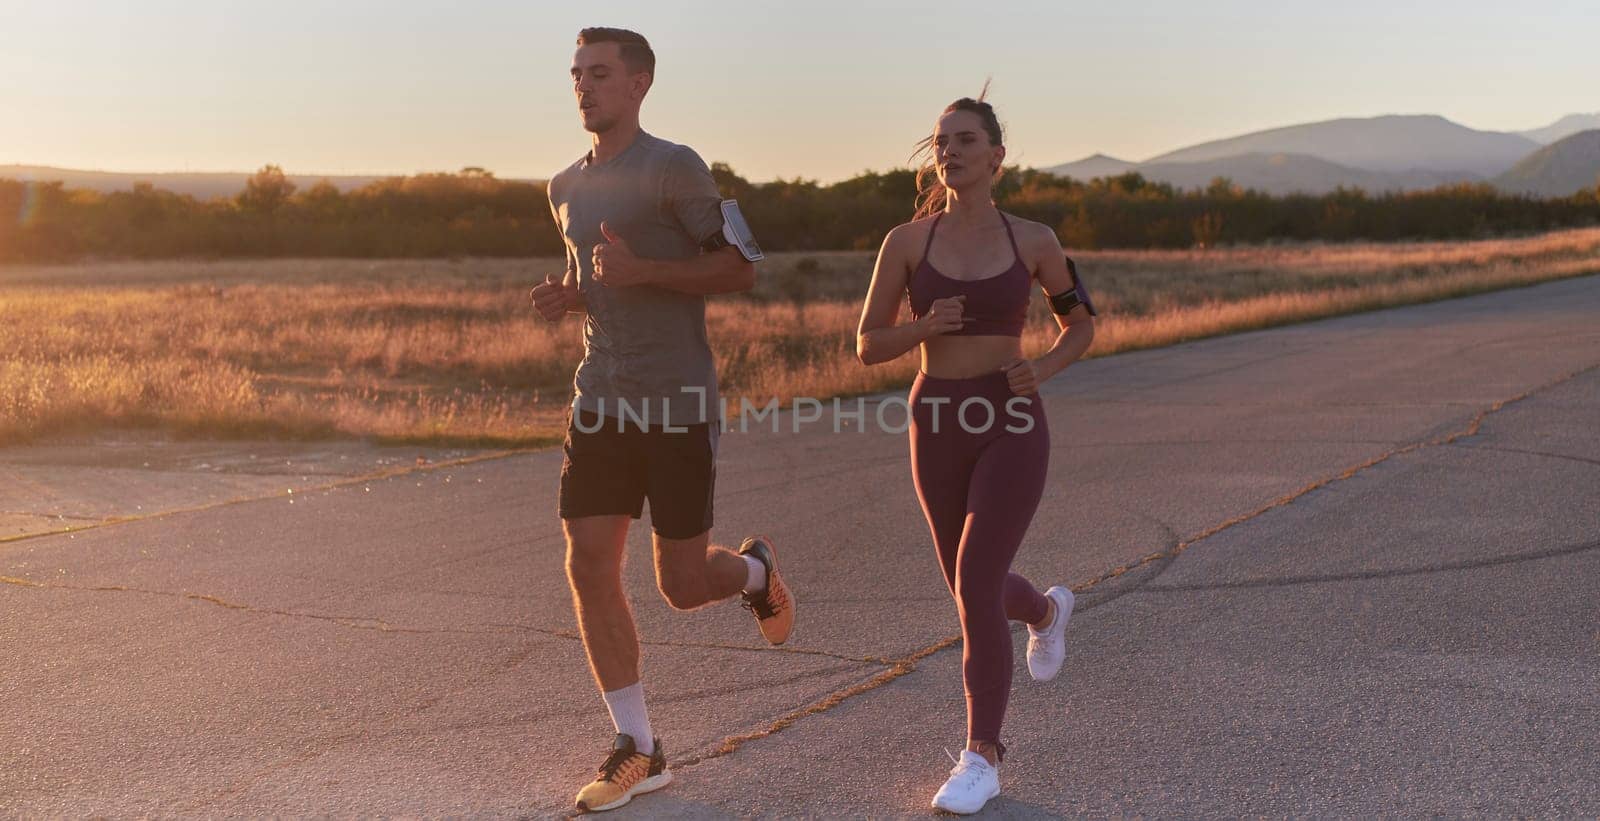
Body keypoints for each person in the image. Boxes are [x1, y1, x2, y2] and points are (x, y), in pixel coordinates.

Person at [529, 27, 796, 814]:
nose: (584, 87)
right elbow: (596, 277)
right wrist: (571, 295)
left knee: (680, 584)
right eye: (576, 74)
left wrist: (648, 270)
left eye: (600, 74)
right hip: (600, 398)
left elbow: (742, 269)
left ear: (640, 83)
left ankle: (755, 571)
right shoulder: (563, 186)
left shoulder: (674, 167)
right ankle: (639, 745)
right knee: (587, 564)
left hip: (676, 404)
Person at [855, 90, 1097, 815]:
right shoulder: (906, 241)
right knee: (971, 586)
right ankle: (1046, 614)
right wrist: (924, 324)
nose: (950, 151)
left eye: (965, 139)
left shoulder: (1034, 240)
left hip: (1012, 419)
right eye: (941, 141)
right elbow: (867, 345)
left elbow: (1080, 324)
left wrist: (1043, 368)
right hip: (935, 418)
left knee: (975, 579)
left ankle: (982, 755)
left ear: (996, 156)